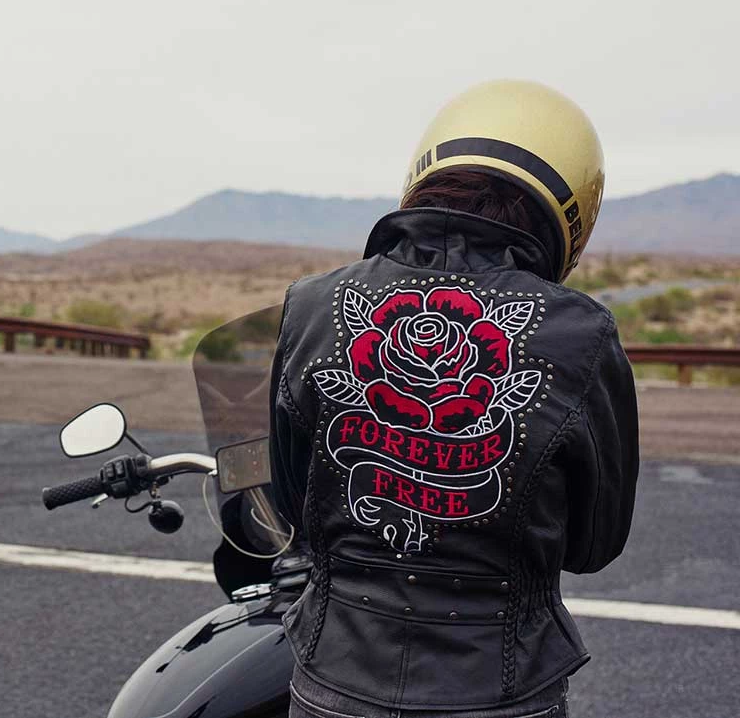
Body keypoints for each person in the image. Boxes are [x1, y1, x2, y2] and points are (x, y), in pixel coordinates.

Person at [268, 80, 639, 718]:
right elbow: (594, 545)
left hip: (334, 678)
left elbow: (290, 501)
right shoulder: (582, 333)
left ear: (425, 170)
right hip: (502, 688)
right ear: (573, 208)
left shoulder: (311, 303)